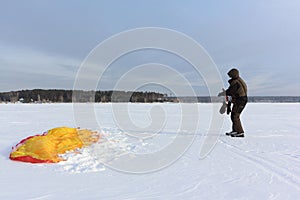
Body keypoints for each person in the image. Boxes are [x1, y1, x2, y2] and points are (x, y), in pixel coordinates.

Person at [218, 68, 248, 137]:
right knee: (234, 115)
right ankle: (235, 130)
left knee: (235, 116)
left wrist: (223, 93)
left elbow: (230, 91)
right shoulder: (238, 80)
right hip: (240, 100)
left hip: (240, 101)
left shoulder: (236, 82)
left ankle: (240, 132)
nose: (229, 77)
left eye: (230, 75)